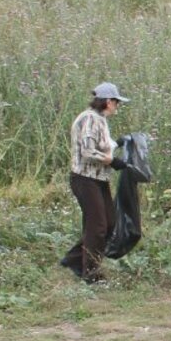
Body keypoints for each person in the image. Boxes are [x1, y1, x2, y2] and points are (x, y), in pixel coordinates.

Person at [61, 82, 129, 284]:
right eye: (117, 102)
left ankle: (73, 260)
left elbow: (99, 144)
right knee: (97, 226)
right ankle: (90, 272)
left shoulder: (98, 119)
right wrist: (113, 161)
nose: (117, 106)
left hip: (98, 179)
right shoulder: (90, 118)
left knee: (109, 223)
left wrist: (118, 143)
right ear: (108, 101)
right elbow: (88, 151)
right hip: (85, 179)